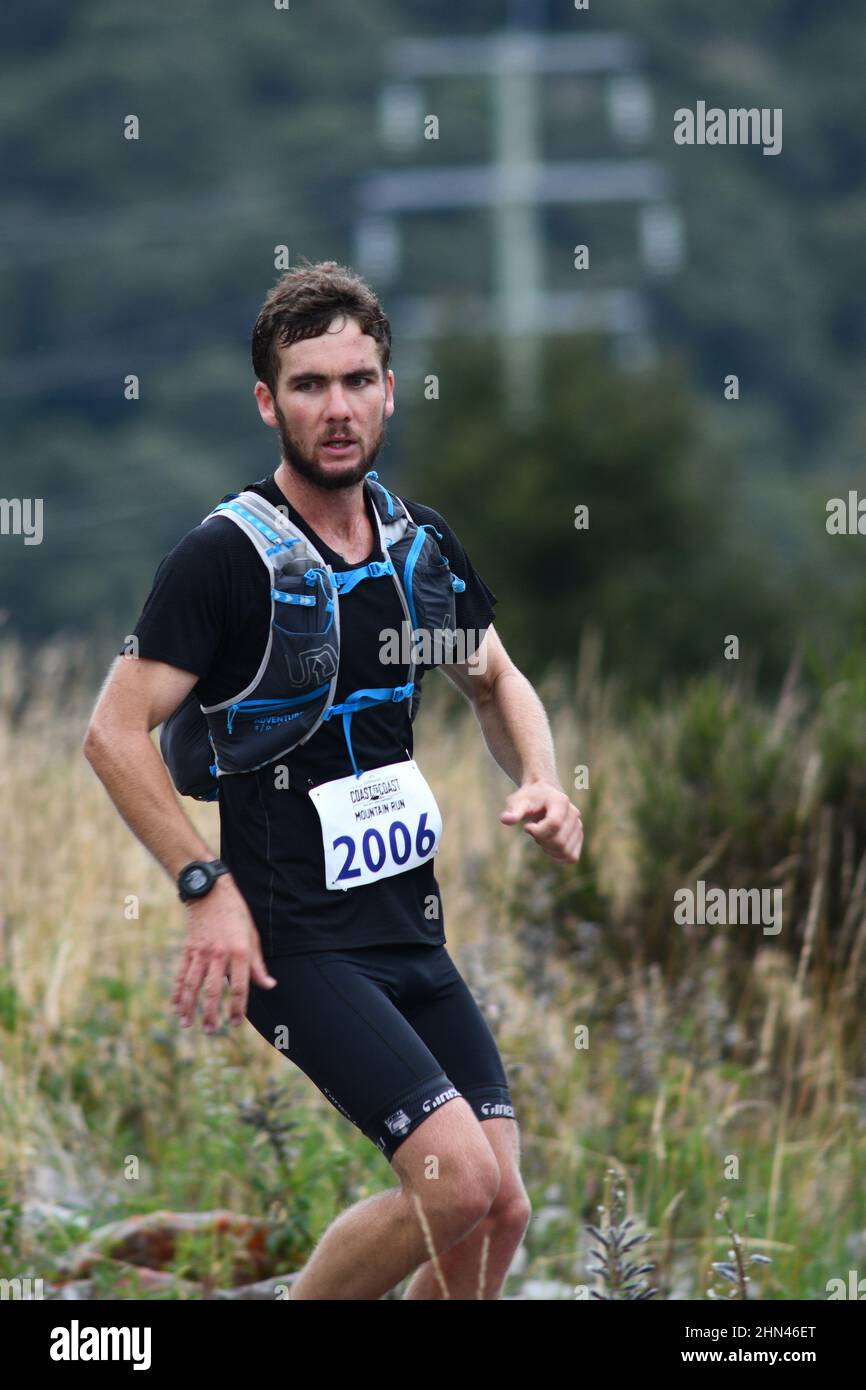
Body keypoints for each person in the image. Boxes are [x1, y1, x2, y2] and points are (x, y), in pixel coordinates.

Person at [82, 259, 584, 1300]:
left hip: (408, 928)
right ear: (268, 401)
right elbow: (112, 733)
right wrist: (199, 885)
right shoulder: (226, 556)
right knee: (451, 1186)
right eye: (308, 385)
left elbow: (496, 681)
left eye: (357, 380)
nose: (337, 407)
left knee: (500, 1206)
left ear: (390, 389)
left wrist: (543, 777)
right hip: (293, 940)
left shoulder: (414, 547)